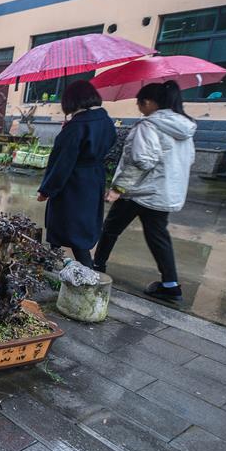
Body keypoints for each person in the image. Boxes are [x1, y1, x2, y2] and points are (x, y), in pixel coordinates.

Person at [93, 80, 196, 302]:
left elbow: (141, 161)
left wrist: (118, 188)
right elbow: (189, 160)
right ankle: (171, 284)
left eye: (140, 104)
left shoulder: (149, 126)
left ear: (148, 102)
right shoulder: (184, 128)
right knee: (158, 236)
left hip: (138, 192)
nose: (139, 108)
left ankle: (96, 266)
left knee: (111, 229)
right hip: (164, 193)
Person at [37, 80, 116, 267]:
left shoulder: (77, 127)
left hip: (72, 183)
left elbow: (62, 163)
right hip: (94, 179)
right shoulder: (105, 121)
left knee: (68, 226)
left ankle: (83, 272)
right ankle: (51, 261)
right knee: (80, 224)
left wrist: (47, 189)